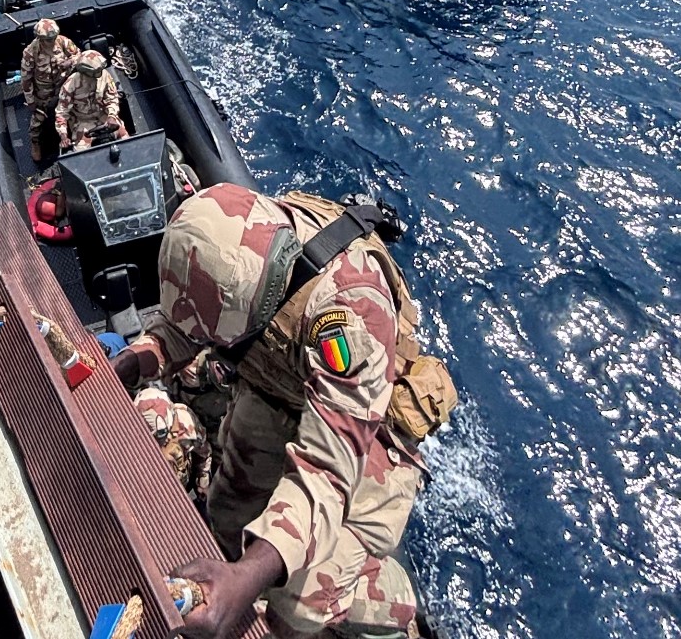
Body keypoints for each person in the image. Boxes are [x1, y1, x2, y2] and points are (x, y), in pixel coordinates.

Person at [112, 184, 457, 639]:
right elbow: (185, 327)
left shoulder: (350, 316)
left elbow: (326, 472)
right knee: (228, 517)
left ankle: (389, 605)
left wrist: (247, 579)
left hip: (362, 435)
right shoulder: (236, 242)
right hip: (282, 386)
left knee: (298, 602)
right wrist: (135, 361)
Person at [133, 386, 212, 505]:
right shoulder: (133, 429)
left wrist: (203, 479)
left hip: (178, 488)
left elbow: (204, 452)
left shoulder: (186, 424)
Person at [20, 18, 79, 162]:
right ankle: (35, 143)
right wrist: (30, 100)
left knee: (73, 110)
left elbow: (78, 54)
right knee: (38, 120)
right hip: (43, 91)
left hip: (64, 85)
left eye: (53, 38)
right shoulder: (31, 52)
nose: (52, 42)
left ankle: (73, 136)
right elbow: (26, 78)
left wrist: (70, 62)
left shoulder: (63, 41)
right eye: (48, 40)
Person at [54, 49, 128, 151]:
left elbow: (112, 98)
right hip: (83, 122)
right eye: (96, 72)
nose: (100, 73)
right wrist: (63, 136)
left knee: (126, 140)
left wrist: (112, 116)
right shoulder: (70, 85)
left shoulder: (105, 76)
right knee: (81, 152)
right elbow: (61, 114)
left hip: (104, 116)